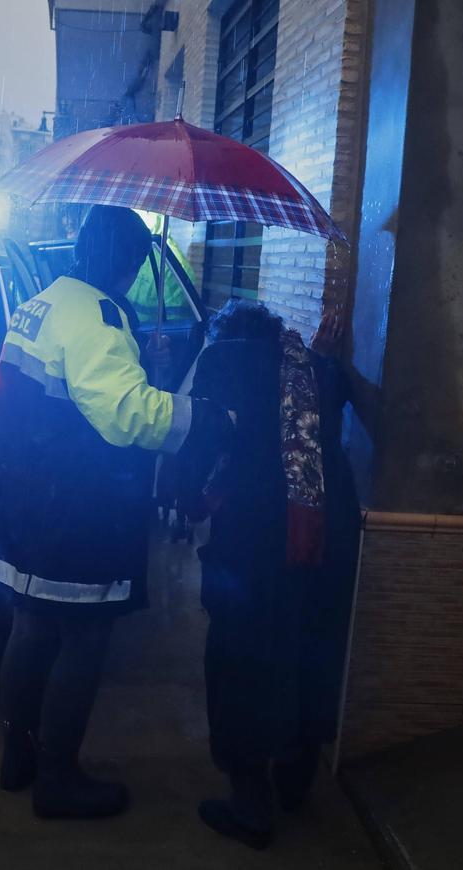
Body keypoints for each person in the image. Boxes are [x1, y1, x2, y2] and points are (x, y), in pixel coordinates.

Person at [0, 204, 228, 820]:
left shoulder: (45, 301)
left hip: (18, 496)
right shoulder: (97, 319)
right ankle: (58, 779)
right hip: (70, 506)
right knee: (83, 635)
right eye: (132, 265)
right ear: (123, 262)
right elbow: (129, 416)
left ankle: (17, 756)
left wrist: (131, 349)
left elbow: (76, 384)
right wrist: (209, 417)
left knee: (31, 625)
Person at [177, 298, 328, 849]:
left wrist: (184, 495)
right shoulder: (309, 365)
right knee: (297, 651)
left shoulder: (221, 362)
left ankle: (250, 802)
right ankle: (293, 781)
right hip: (312, 539)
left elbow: (199, 440)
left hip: (248, 535)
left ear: (225, 334)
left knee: (237, 659)